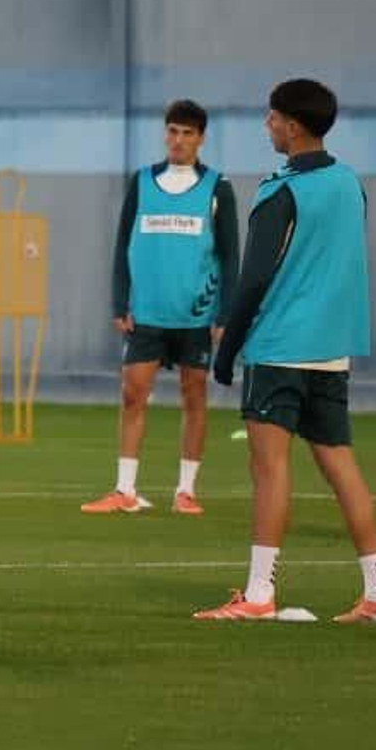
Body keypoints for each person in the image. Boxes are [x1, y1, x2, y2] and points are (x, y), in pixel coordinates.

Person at [194, 78, 376, 622]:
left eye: (273, 117)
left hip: (281, 346)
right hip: (332, 349)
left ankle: (259, 595)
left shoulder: (279, 190)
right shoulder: (350, 183)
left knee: (269, 469)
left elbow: (253, 279)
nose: (267, 125)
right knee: (340, 465)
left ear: (294, 125)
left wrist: (227, 348)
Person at [84, 100, 239, 515]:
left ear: (201, 138)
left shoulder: (218, 188)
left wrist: (225, 314)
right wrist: (120, 300)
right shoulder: (142, 182)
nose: (179, 140)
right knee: (132, 394)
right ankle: (124, 489)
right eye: (173, 130)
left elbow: (231, 257)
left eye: (188, 133)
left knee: (194, 397)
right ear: (164, 133)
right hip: (146, 313)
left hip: (195, 316)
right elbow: (122, 244)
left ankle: (185, 490)